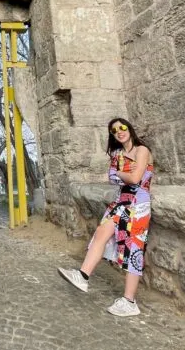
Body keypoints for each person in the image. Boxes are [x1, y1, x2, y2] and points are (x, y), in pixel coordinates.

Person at [57, 118, 154, 317]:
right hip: (121, 201)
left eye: (122, 127)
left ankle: (129, 301)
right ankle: (82, 276)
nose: (119, 131)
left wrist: (121, 172)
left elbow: (135, 179)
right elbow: (112, 179)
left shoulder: (141, 150)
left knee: (132, 250)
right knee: (101, 233)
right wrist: (124, 173)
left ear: (129, 128)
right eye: (114, 130)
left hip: (138, 204)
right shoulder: (117, 154)